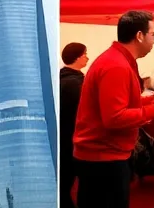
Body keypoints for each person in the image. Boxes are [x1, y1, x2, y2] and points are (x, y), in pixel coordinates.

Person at [73, 11, 154, 208]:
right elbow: (114, 118)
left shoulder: (118, 60)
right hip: (103, 158)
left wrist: (152, 100)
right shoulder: (116, 65)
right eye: (153, 34)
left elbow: (122, 103)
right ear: (139, 36)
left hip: (104, 155)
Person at [60, 42, 89, 208]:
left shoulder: (62, 78)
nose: (87, 57)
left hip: (64, 134)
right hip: (72, 136)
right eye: (85, 54)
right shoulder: (75, 83)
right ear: (77, 57)